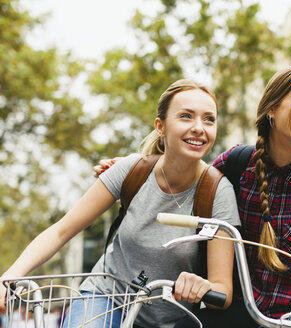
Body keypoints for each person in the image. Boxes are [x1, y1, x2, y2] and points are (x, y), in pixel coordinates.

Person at [94, 65, 291, 327]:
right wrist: (133, 168)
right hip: (242, 318)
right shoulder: (236, 165)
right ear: (272, 108)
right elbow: (183, 178)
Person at [0, 79, 241, 328]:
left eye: (209, 119)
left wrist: (202, 287)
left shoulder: (217, 192)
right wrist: (9, 277)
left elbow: (222, 292)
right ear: (160, 126)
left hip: (169, 318)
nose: (199, 128)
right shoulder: (130, 171)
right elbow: (61, 231)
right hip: (105, 297)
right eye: (186, 116)